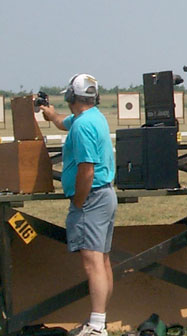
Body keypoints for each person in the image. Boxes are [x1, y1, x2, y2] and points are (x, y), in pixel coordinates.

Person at [40, 74, 116, 336]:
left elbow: (86, 170)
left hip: (91, 197)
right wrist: (51, 115)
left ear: (71, 96)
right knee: (102, 262)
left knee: (92, 263)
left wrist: (79, 200)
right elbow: (64, 123)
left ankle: (96, 327)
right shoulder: (92, 117)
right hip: (104, 196)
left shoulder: (83, 126)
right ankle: (100, 321)